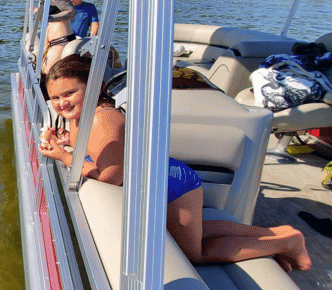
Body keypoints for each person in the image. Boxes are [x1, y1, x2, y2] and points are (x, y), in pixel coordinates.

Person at [37, 55, 312, 272]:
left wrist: (64, 157)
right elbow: (96, 152)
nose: (62, 103)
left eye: (70, 93)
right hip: (164, 176)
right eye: (56, 98)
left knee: (194, 254)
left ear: (96, 86)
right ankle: (277, 234)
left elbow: (112, 176)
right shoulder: (80, 117)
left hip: (172, 186)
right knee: (200, 231)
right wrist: (64, 141)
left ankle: (285, 243)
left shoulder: (103, 119)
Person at [12, 0, 76, 78]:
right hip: (51, 42)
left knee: (48, 78)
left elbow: (71, 12)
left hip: (61, 41)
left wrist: (49, 17)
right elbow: (56, 10)